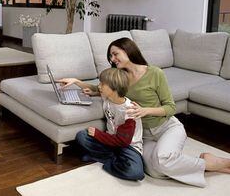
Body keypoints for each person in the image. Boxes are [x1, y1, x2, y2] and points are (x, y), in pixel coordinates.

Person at [59, 37, 230, 187]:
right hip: (143, 137)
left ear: (128, 50)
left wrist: (144, 110)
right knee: (155, 172)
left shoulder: (155, 73)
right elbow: (100, 88)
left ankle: (211, 162)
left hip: (166, 128)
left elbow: (170, 107)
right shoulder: (120, 77)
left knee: (162, 162)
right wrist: (77, 82)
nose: (112, 59)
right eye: (110, 56)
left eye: (115, 53)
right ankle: (203, 163)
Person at [75, 68, 144, 181]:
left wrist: (97, 134)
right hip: (110, 142)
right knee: (82, 136)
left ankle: (105, 158)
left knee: (136, 173)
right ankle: (114, 158)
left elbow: (123, 141)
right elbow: (99, 92)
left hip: (128, 146)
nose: (99, 86)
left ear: (114, 88)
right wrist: (93, 93)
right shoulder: (107, 97)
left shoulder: (129, 111)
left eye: (102, 84)